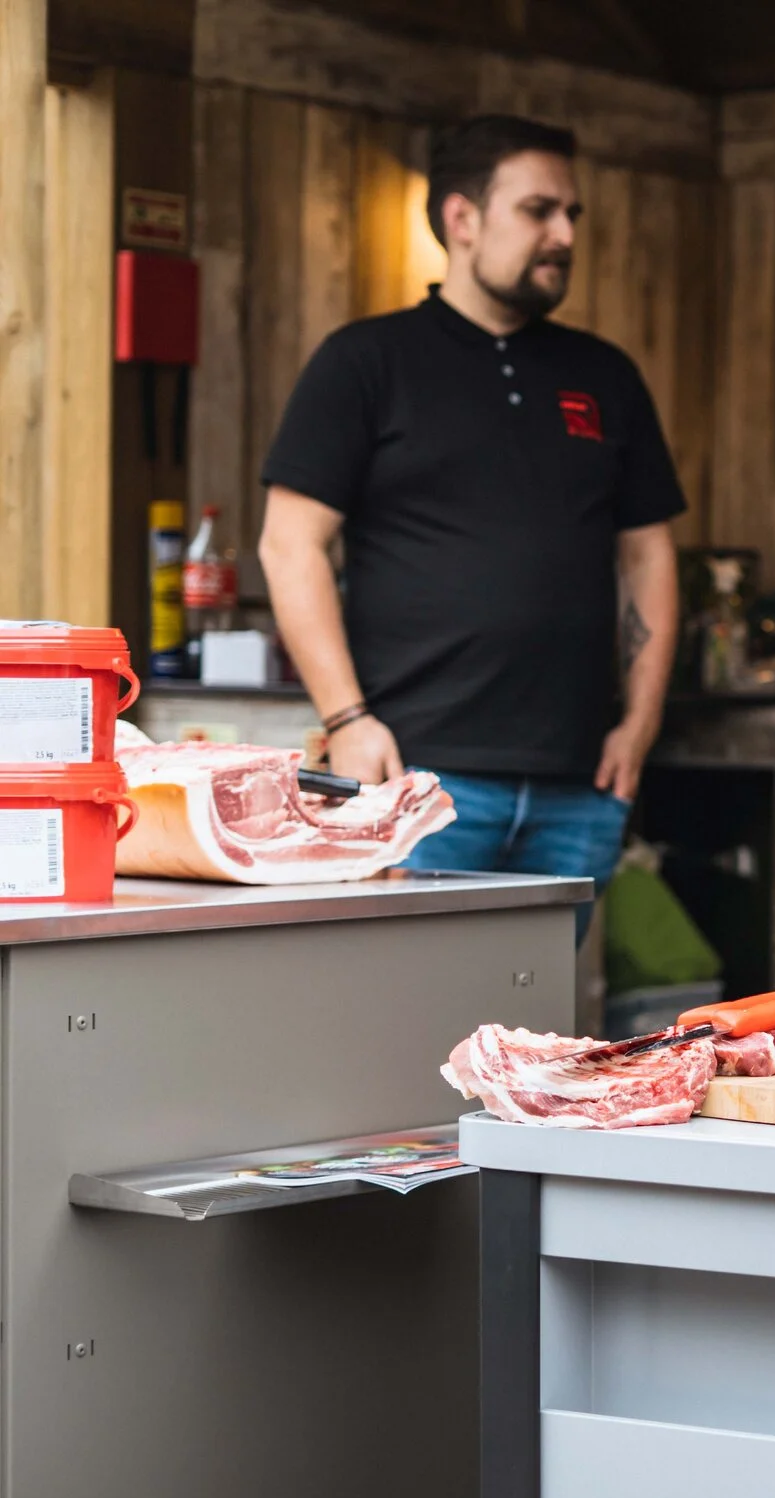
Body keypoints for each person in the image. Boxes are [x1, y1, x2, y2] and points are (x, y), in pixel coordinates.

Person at [260, 115, 683, 918]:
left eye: (571, 214)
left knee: (541, 1037)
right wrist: (345, 718)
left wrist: (643, 721)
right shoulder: (364, 362)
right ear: (461, 218)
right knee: (404, 1023)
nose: (563, 233)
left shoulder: (606, 374)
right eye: (538, 210)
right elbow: (290, 545)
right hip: (418, 782)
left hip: (580, 787)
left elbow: (649, 558)